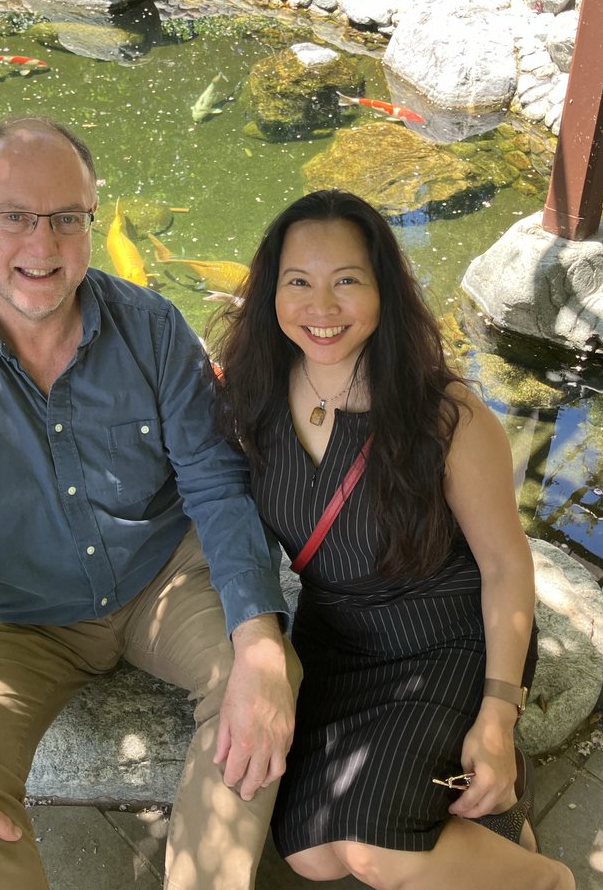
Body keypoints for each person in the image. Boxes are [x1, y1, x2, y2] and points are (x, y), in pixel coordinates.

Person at [0, 116, 301, 890]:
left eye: (65, 218)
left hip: (161, 578)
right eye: (14, 216)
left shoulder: (154, 330)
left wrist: (259, 644)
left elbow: (217, 484)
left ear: (91, 220)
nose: (42, 244)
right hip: (7, 618)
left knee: (260, 692)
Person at [210, 189, 575, 890]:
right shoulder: (249, 398)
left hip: (445, 638)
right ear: (270, 293)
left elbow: (504, 565)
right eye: (299, 283)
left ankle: (546, 879)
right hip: (338, 643)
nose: (322, 307)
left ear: (384, 289)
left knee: (374, 853)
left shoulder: (446, 414)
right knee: (313, 857)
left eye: (347, 281)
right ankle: (483, 823)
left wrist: (498, 714)